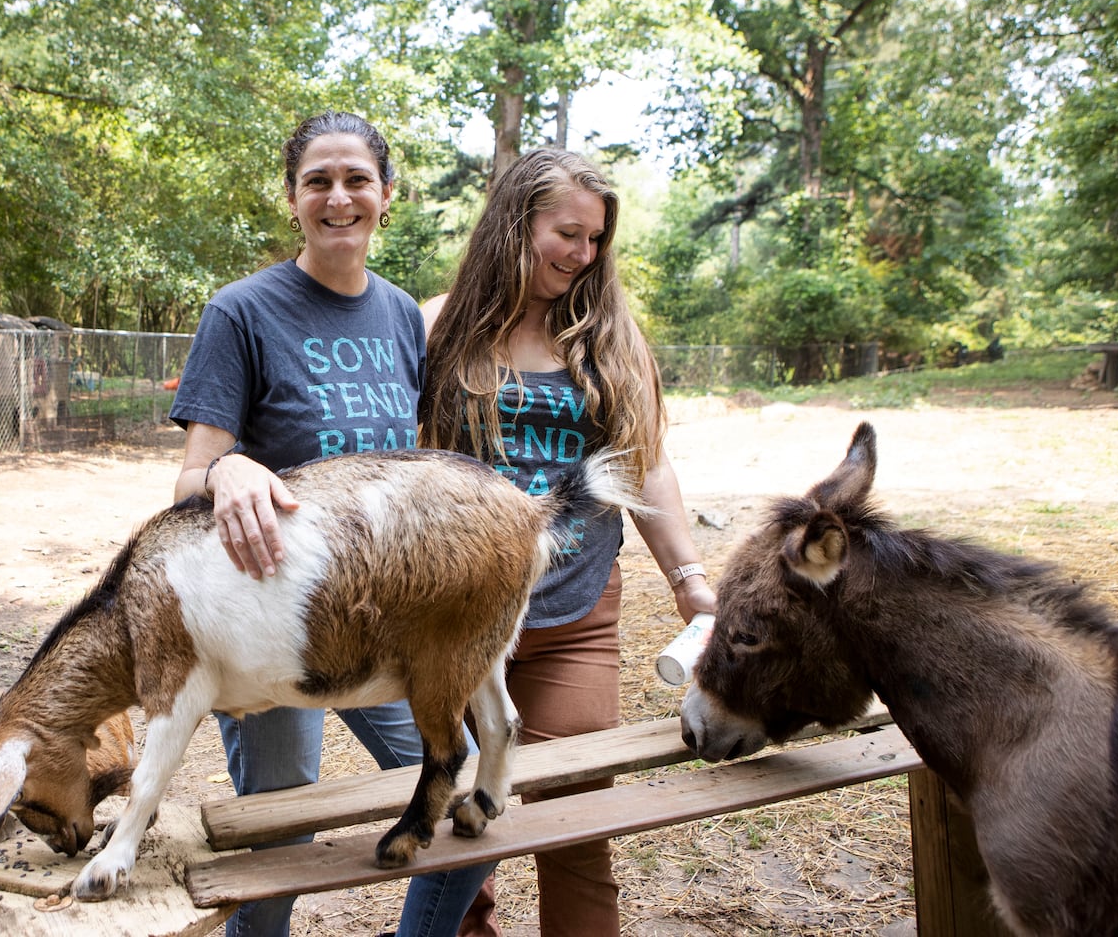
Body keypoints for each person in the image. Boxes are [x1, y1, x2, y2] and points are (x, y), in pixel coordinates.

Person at [168, 110, 494, 937]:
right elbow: (188, 481)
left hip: (391, 620)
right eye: (318, 180)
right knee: (281, 837)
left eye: (356, 180)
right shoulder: (240, 312)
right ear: (292, 200)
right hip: (276, 619)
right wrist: (230, 466)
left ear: (387, 196)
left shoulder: (400, 318)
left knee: (471, 790)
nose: (338, 197)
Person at [420, 148, 718, 937]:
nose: (582, 255)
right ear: (516, 224)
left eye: (595, 240)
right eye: (567, 233)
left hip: (575, 612)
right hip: (456, 617)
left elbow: (644, 466)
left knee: (577, 823)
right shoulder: (435, 325)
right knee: (458, 822)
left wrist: (688, 576)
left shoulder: (612, 340)